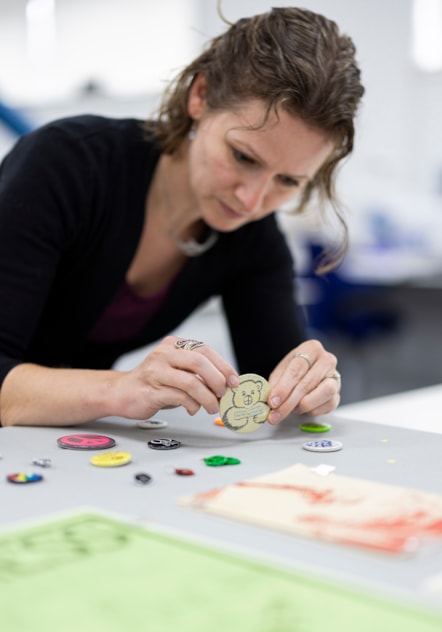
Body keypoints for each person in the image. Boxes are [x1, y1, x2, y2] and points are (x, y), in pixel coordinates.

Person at [0, 6, 364, 428]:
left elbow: (272, 382)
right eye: (243, 157)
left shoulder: (252, 238)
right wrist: (121, 390)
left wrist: (308, 384)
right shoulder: (65, 164)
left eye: (287, 181)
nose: (252, 200)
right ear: (200, 96)